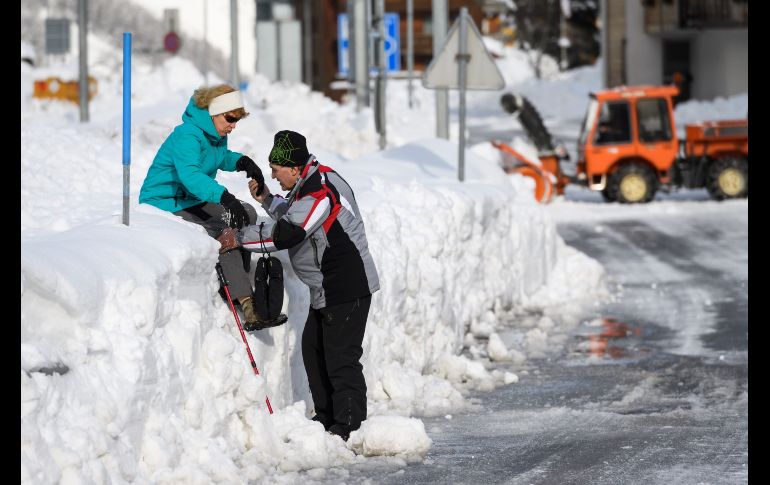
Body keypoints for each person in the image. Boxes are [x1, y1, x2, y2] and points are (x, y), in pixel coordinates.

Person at [217, 130, 380, 441]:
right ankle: (327, 420)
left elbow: (289, 233)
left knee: (340, 357)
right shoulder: (311, 182)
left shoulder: (319, 191)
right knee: (314, 350)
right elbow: (296, 215)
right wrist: (266, 199)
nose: (274, 178)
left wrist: (236, 238)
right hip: (327, 287)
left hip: (345, 285)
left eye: (276, 172)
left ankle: (349, 428)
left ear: (293, 168)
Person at [138, 84, 283, 331]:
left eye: (237, 119)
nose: (234, 124)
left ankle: (238, 274)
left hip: (188, 198)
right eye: (230, 118)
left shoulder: (216, 134)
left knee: (245, 212)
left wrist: (242, 162)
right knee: (225, 222)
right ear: (214, 113)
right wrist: (225, 197)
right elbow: (191, 175)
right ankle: (245, 301)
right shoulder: (188, 135)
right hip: (164, 201)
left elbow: (218, 157)